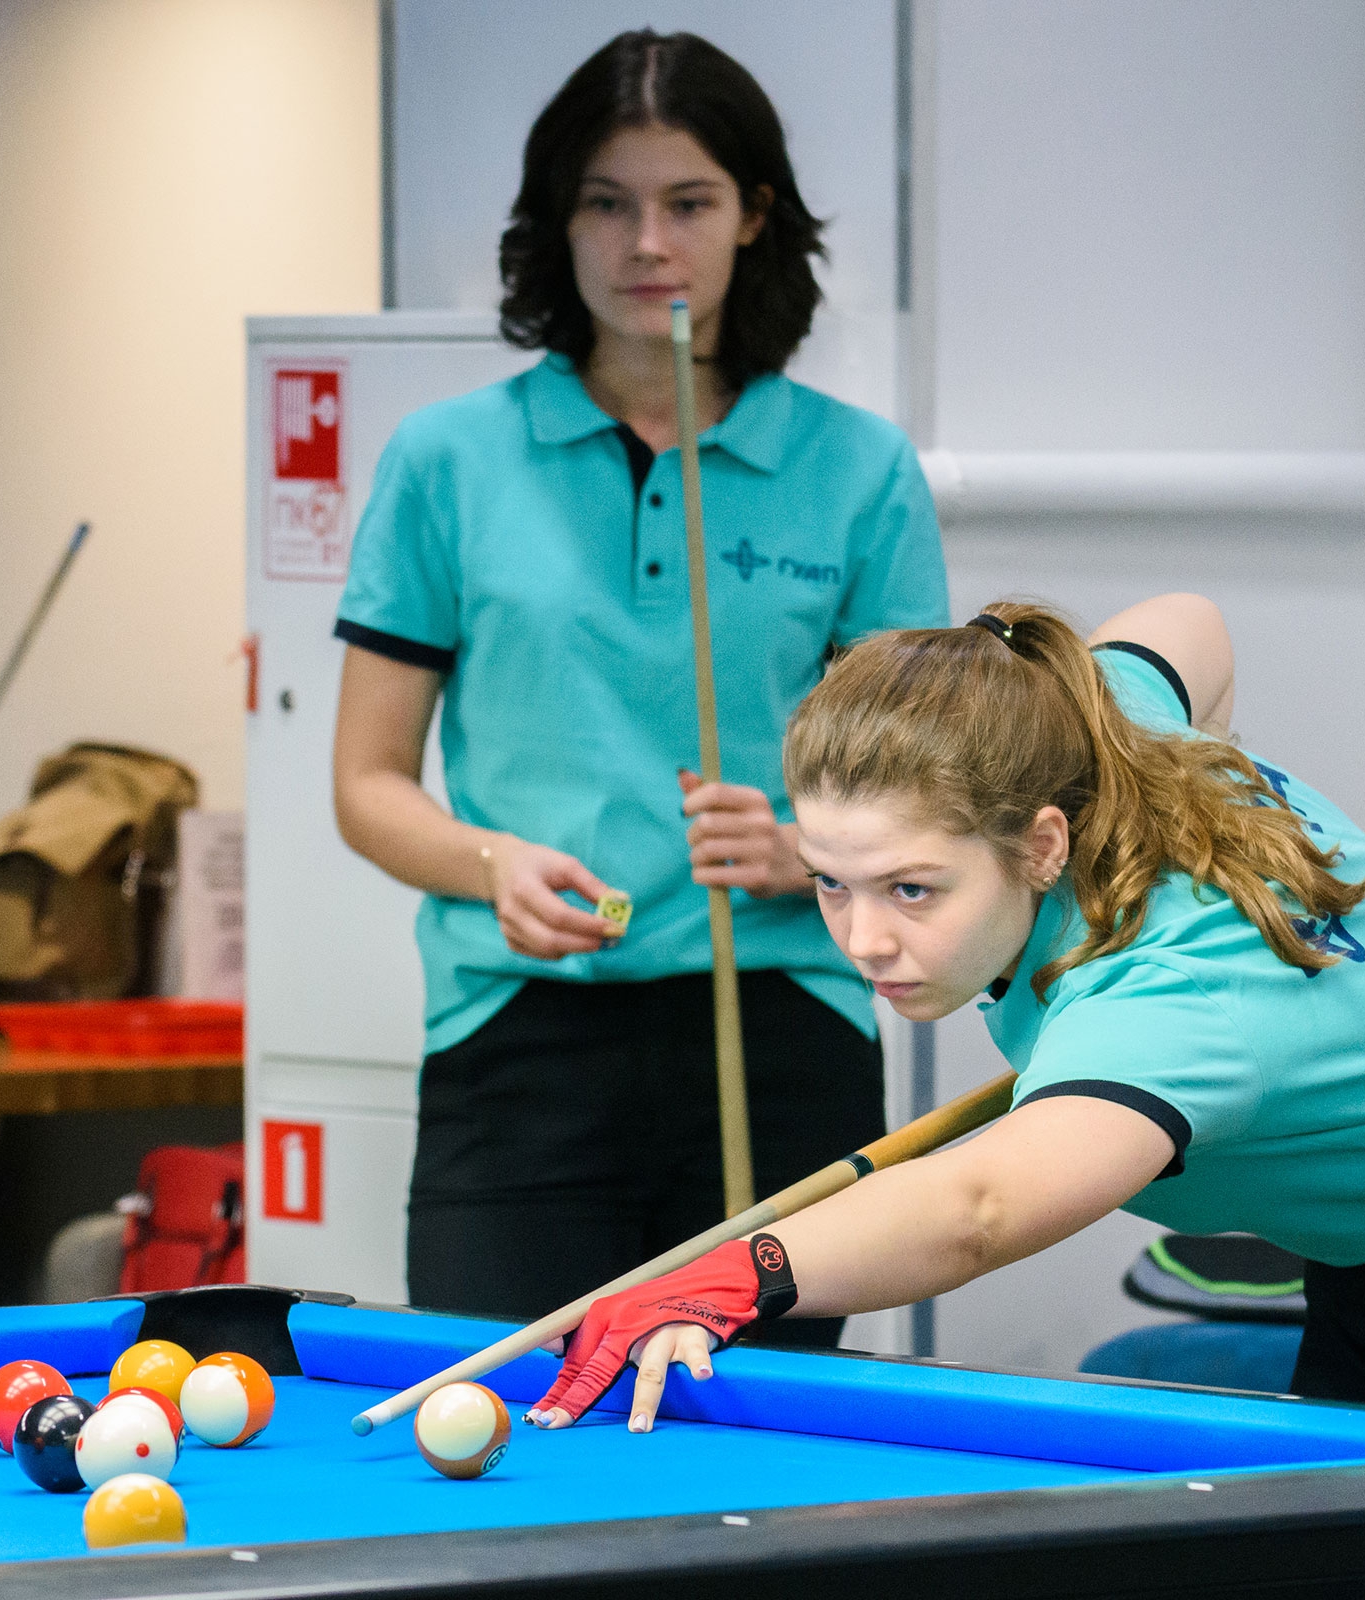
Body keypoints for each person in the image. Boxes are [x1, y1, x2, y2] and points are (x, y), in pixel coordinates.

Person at [529, 596, 1365, 1430]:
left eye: (912, 889)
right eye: (830, 882)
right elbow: (1187, 623)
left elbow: (980, 1208)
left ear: (1043, 845)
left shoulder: (1164, 997)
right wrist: (1176, 769)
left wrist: (738, 1275)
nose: (864, 939)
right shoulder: (1078, 723)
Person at [331, 30, 949, 1347]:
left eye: (688, 203)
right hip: (518, 1039)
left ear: (754, 215)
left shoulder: (859, 470)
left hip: (779, 1032)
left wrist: (806, 849)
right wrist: (490, 860)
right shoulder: (446, 461)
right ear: (559, 220)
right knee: (499, 1418)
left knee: (757, 1442)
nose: (646, 244)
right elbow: (367, 785)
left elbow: (926, 796)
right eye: (607, 203)